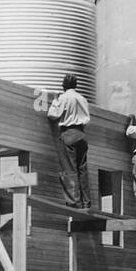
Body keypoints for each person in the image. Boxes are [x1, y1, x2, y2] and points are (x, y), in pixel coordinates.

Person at [46, 73, 92, 208]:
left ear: (63, 85)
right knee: (82, 170)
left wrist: (55, 101)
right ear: (76, 85)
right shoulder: (82, 98)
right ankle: (86, 203)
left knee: (69, 169)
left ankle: (74, 202)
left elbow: (52, 115)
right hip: (82, 134)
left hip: (69, 133)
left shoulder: (64, 98)